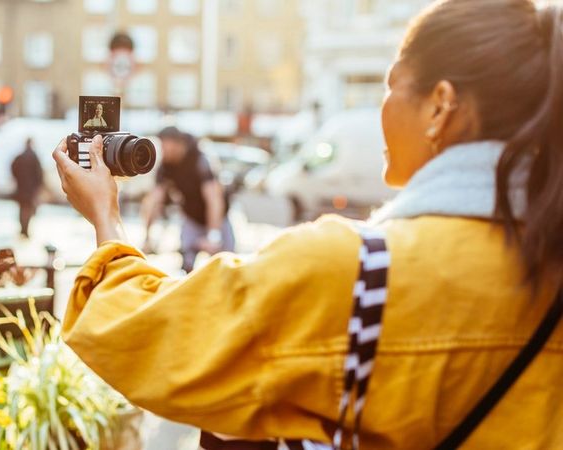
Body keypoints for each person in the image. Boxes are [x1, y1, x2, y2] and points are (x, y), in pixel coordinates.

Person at [52, 1, 563, 448]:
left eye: (391, 86)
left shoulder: (356, 273)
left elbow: (149, 334)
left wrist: (105, 217)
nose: (380, 107)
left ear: (441, 105)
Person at [141, 126, 234, 272]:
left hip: (218, 219)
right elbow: (154, 201)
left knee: (226, 263)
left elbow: (214, 199)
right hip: (191, 218)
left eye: (165, 146)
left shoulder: (200, 160)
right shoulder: (165, 165)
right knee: (187, 265)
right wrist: (148, 237)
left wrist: (213, 236)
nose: (162, 151)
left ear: (178, 144)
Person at [11, 138, 44, 238]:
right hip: (30, 188)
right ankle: (25, 229)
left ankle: (23, 229)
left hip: (21, 187)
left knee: (22, 209)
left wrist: (17, 179)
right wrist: (38, 185)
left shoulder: (20, 156)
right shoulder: (34, 157)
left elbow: (13, 168)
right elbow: (39, 173)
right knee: (28, 209)